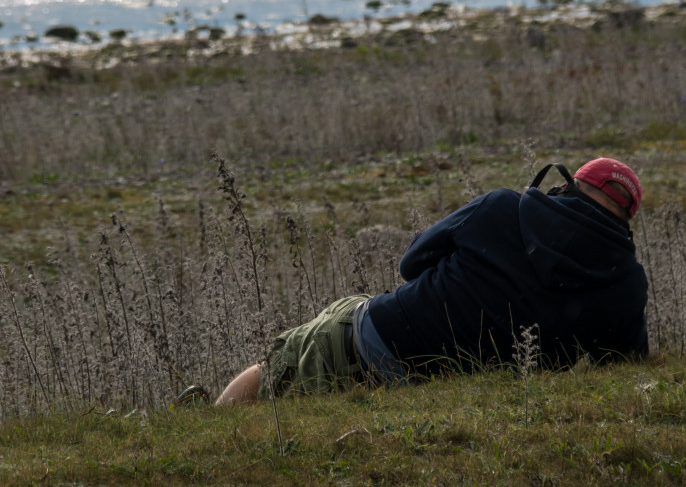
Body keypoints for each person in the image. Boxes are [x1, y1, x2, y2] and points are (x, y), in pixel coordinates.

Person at [212, 157, 648, 406]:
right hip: (465, 395)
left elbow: (411, 264)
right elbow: (624, 365)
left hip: (379, 340)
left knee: (288, 353)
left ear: (568, 186)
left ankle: (214, 418)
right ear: (623, 222)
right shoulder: (627, 282)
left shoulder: (502, 207)